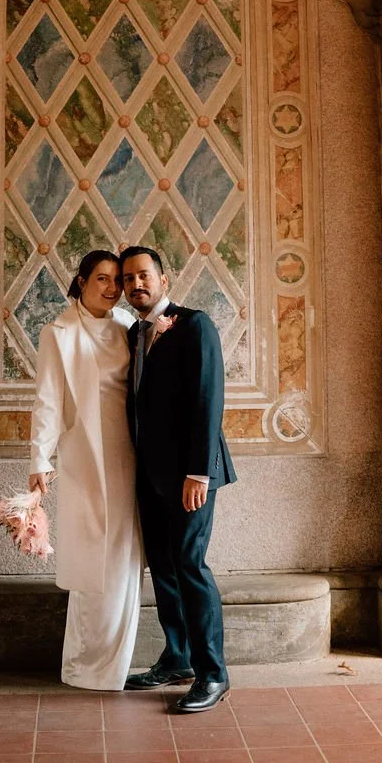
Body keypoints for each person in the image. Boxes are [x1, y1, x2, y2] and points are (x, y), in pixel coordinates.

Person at [120, 245, 237, 713]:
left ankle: (214, 674)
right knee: (163, 568)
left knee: (190, 565)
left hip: (192, 475)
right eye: (128, 279)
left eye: (144, 276)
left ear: (164, 280)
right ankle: (177, 657)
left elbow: (209, 400)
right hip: (149, 475)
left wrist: (198, 472)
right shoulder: (134, 333)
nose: (136, 285)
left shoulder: (194, 325)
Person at [28, 249, 143, 691]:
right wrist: (40, 459)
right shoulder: (57, 332)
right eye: (102, 279)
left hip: (130, 450)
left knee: (122, 554)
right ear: (80, 282)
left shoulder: (129, 327)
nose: (113, 288)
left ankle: (115, 664)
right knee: (91, 553)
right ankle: (83, 665)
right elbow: (48, 399)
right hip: (84, 452)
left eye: (117, 280)